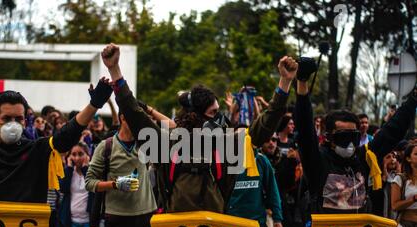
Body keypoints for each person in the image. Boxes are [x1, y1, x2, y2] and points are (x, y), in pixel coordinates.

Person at [101, 43, 298, 216]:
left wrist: (285, 82)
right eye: (213, 114)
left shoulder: (226, 144)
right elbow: (135, 116)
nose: (219, 120)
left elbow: (263, 127)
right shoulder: (168, 144)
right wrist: (115, 70)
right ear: (195, 115)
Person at [294, 57, 417, 215]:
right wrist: (302, 82)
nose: (349, 144)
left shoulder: (363, 157)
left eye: (354, 137)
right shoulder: (317, 160)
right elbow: (305, 130)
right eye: (343, 137)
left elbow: (392, 132)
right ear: (328, 137)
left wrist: (413, 99)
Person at [0, 78, 114, 203]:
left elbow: (66, 136)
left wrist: (94, 105)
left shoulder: (36, 149)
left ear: (25, 122)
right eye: (6, 119)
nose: (13, 124)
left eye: (18, 119)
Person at [85, 110, 158, 227]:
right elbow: (89, 182)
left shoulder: (146, 143)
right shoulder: (106, 146)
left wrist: (150, 112)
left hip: (144, 218)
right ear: (123, 118)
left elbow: (172, 133)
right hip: (117, 220)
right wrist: (115, 184)